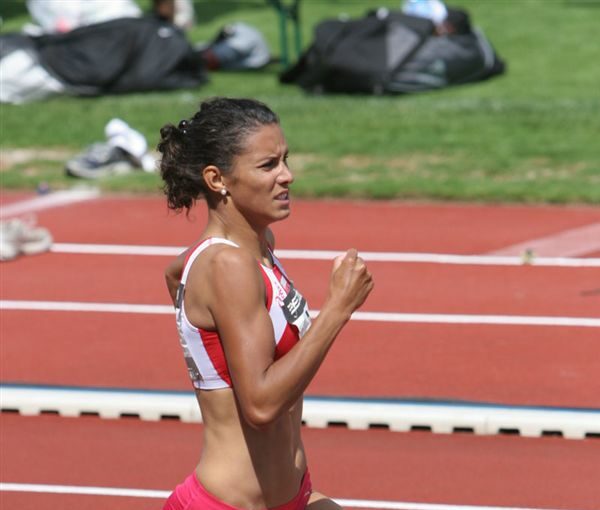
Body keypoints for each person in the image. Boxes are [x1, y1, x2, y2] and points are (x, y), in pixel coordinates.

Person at [158, 97, 374, 510]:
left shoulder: (254, 248)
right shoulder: (229, 265)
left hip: (294, 495)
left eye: (285, 160)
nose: (287, 176)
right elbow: (260, 405)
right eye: (268, 165)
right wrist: (338, 310)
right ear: (217, 179)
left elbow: (175, 272)